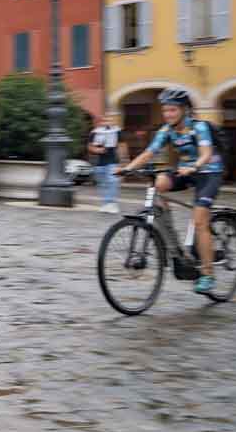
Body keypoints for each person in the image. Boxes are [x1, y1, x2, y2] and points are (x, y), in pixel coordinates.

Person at [117, 87, 224, 295]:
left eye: (172, 110)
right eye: (165, 110)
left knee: (200, 219)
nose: (168, 114)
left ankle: (208, 274)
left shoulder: (199, 127)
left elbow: (206, 153)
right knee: (158, 184)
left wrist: (195, 166)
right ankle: (173, 241)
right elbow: (149, 152)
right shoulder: (167, 131)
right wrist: (128, 168)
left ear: (184, 110)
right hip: (186, 170)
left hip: (209, 171)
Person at [88, 114, 126, 213]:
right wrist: (97, 150)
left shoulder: (117, 132)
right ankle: (105, 204)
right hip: (99, 162)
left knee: (112, 180)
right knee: (102, 183)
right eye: (105, 120)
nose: (107, 122)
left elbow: (122, 146)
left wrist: (123, 161)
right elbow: (90, 146)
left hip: (113, 160)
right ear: (101, 122)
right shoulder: (95, 133)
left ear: (113, 121)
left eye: (110, 120)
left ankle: (112, 203)